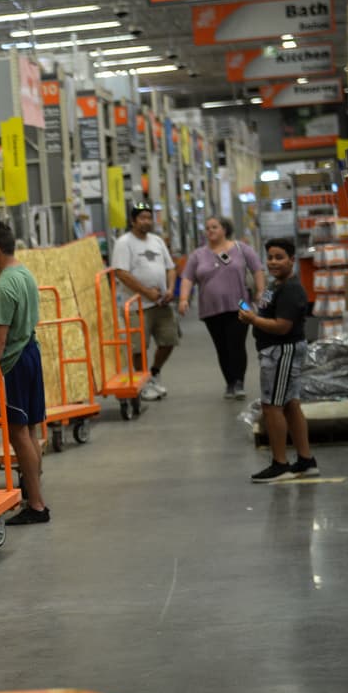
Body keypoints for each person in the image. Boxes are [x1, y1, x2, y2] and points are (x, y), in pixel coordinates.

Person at [0, 222, 49, 525]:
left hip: (13, 364)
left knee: (19, 435)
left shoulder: (4, 288)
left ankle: (37, 504)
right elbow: (8, 294)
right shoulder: (22, 274)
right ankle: (34, 493)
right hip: (30, 353)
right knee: (29, 431)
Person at [240, 238, 319, 483]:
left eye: (279, 257)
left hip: (282, 351)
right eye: (270, 257)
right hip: (273, 351)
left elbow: (282, 327)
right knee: (290, 404)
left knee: (272, 406)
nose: (273, 262)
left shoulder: (291, 290)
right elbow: (262, 309)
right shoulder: (274, 286)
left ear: (292, 260)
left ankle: (280, 464)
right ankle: (305, 461)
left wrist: (253, 320)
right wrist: (251, 313)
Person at [179, 217, 266, 398]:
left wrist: (260, 291)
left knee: (237, 344)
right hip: (210, 307)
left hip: (240, 303)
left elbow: (257, 269)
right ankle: (230, 383)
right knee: (222, 347)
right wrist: (183, 299)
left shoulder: (241, 249)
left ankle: (239, 382)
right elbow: (188, 278)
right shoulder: (198, 255)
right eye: (207, 228)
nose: (210, 230)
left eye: (214, 227)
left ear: (224, 230)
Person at [111, 203, 179, 400]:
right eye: (142, 218)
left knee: (169, 340)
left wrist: (170, 289)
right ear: (133, 221)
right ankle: (143, 383)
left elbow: (171, 268)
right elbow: (121, 273)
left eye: (149, 218)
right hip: (137, 306)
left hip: (161, 303)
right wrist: (146, 292)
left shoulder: (157, 241)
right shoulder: (124, 243)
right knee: (139, 348)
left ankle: (154, 374)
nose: (147, 221)